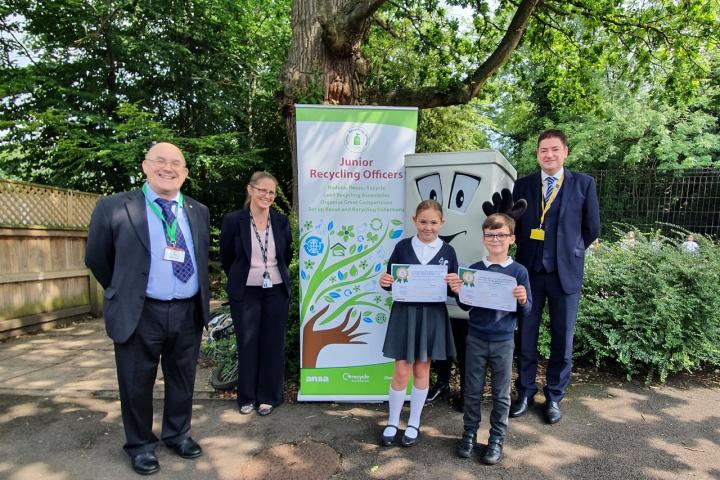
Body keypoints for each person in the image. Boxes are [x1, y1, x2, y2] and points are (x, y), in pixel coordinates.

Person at [85, 142, 210, 475]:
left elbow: (200, 259)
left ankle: (178, 434)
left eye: (176, 164)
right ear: (145, 166)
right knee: (136, 382)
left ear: (184, 173)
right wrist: (123, 292)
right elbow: (98, 259)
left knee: (183, 379)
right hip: (140, 312)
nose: (168, 168)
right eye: (161, 161)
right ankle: (140, 445)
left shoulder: (197, 210)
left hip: (187, 312)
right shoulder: (114, 207)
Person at [511, 129, 601, 424]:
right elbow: (515, 226)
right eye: (542, 150)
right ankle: (525, 392)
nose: (548, 155)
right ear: (537, 154)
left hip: (566, 273)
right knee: (526, 336)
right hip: (530, 272)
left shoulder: (583, 184)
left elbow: (592, 228)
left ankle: (553, 396)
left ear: (566, 152)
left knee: (563, 338)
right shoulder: (522, 185)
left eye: (554, 150)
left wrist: (570, 250)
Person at [451, 213, 532, 465]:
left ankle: (496, 439)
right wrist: (458, 292)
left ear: (512, 238)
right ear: (484, 238)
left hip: (503, 340)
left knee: (501, 394)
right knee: (472, 391)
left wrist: (522, 299)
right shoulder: (474, 270)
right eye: (490, 235)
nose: (495, 239)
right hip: (475, 337)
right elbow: (465, 306)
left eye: (501, 234)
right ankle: (469, 435)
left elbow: (527, 310)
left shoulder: (519, 271)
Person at [378, 199, 459, 447]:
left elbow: (453, 290)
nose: (428, 227)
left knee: (422, 369)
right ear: (414, 220)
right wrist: (385, 282)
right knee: (401, 369)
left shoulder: (448, 251)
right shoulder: (403, 246)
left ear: (442, 223)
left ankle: (414, 421)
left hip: (431, 315)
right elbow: (391, 279)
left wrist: (456, 286)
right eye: (423, 221)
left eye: (433, 222)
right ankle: (393, 421)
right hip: (405, 314)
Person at [219, 171, 292, 417]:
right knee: (248, 344)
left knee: (273, 344)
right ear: (250, 190)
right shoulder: (233, 220)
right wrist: (243, 276)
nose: (267, 196)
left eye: (271, 192)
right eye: (262, 190)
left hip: (276, 290)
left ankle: (269, 397)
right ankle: (247, 396)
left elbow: (286, 254)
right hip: (246, 291)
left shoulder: (281, 221)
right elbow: (227, 256)